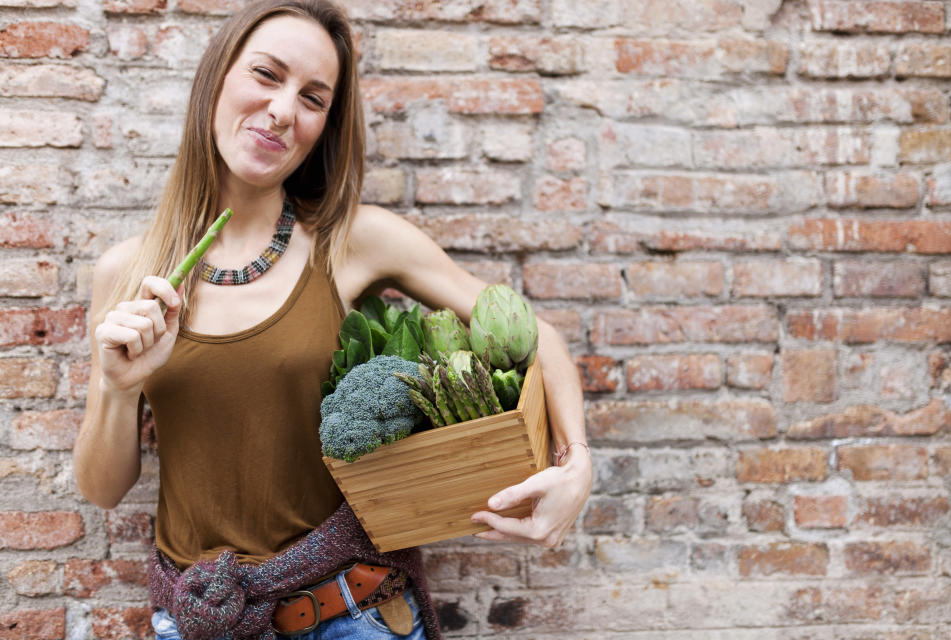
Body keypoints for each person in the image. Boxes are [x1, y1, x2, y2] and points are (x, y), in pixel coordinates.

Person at [73, 1, 592, 638]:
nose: (284, 110)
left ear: (325, 126)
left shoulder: (355, 241)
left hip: (354, 615)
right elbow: (101, 489)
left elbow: (541, 338)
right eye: (266, 74)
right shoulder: (127, 274)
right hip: (197, 621)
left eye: (313, 98)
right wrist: (118, 390)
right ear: (216, 78)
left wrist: (576, 463)